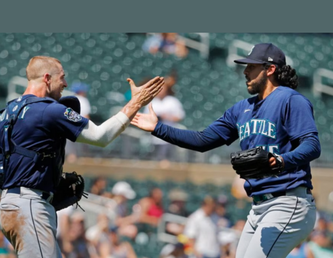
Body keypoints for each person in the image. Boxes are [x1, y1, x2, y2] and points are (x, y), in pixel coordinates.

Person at [131, 43, 320, 258]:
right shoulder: (242, 109)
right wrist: (158, 128)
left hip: (288, 202)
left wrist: (282, 160)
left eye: (251, 66)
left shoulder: (290, 99)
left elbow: (312, 145)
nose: (245, 71)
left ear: (270, 69)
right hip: (259, 207)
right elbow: (202, 140)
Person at [0, 55, 164, 258]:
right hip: (29, 206)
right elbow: (100, 136)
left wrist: (15, 184)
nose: (65, 83)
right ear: (47, 78)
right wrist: (135, 103)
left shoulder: (6, 113)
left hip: (10, 205)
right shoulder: (48, 109)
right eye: (62, 77)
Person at [143, 71, 185, 163]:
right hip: (154, 137)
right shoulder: (151, 102)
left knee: (168, 161)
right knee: (155, 160)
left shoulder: (172, 101)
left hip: (169, 135)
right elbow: (145, 117)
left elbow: (180, 116)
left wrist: (166, 117)